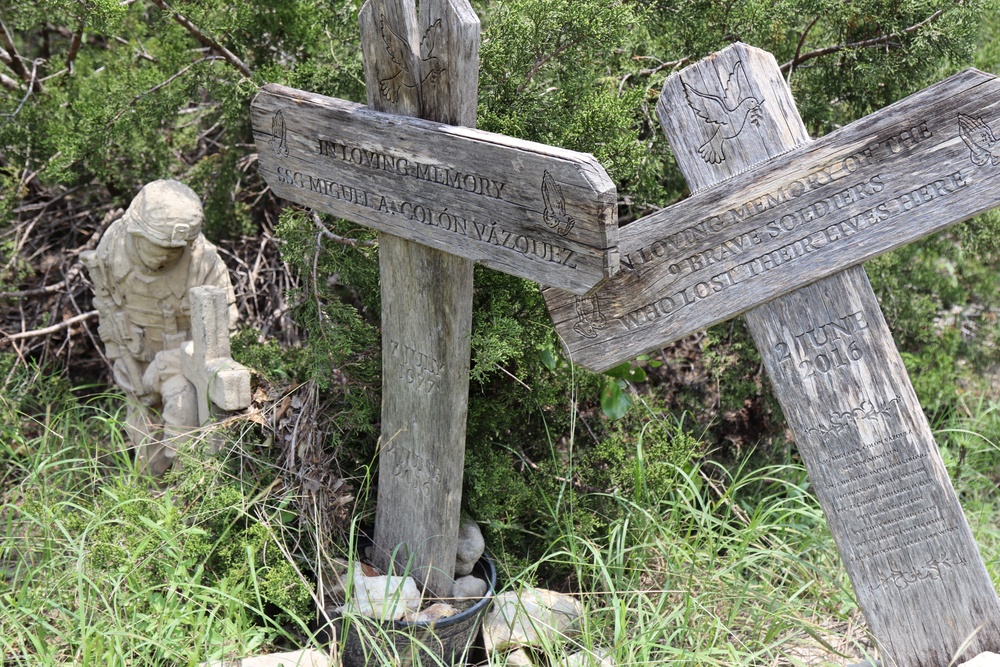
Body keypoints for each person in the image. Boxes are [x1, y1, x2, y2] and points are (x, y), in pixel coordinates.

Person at [82, 179, 238, 477]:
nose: (166, 255)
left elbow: (224, 331)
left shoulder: (202, 261)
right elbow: (107, 305)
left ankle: (187, 486)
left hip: (184, 363)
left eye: (173, 249)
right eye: (158, 247)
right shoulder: (113, 245)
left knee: (182, 411)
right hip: (137, 357)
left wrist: (173, 362)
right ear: (136, 232)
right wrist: (118, 357)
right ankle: (150, 492)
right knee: (143, 441)